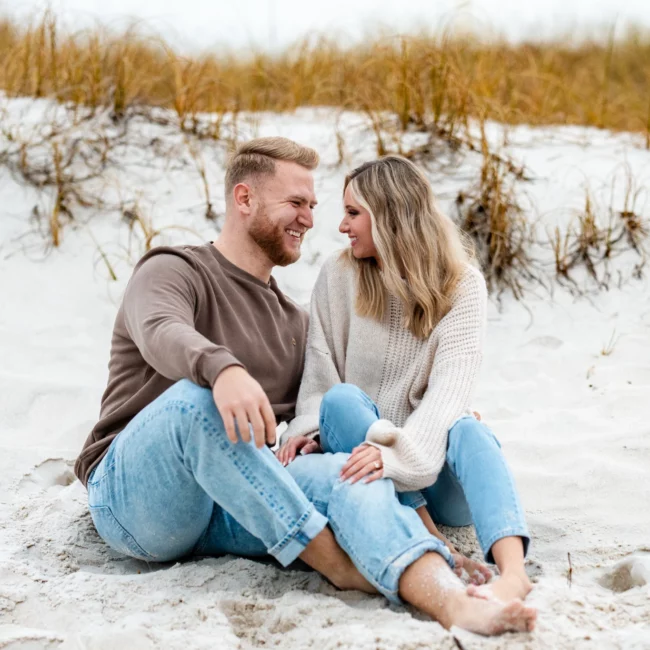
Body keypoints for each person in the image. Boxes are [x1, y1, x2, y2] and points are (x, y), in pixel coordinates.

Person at [74, 138, 535, 635]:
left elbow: (321, 407)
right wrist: (221, 370)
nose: (312, 220)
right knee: (194, 401)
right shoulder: (174, 270)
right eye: (296, 203)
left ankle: (450, 600)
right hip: (141, 501)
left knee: (351, 472)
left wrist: (432, 422)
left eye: (314, 206)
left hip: (239, 501)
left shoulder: (295, 321)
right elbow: (162, 331)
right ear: (244, 199)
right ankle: (336, 565)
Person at [278, 155, 533, 605]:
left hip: (430, 475)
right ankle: (436, 543)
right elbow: (319, 382)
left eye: (353, 213)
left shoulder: (462, 285)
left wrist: (394, 457)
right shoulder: (338, 276)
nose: (341, 226)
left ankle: (513, 574)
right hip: (365, 471)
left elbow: (446, 400)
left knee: (469, 427)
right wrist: (310, 432)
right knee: (339, 400)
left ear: (391, 215)